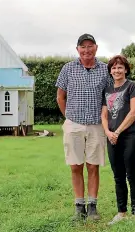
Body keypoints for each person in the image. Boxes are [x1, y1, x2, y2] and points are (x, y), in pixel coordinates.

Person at [55, 33, 113, 221]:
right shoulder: (68, 69)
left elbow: (110, 98)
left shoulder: (105, 70)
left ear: (96, 47)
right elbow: (60, 97)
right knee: (75, 166)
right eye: (83, 46)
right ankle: (79, 206)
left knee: (93, 166)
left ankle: (93, 207)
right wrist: (69, 118)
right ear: (77, 49)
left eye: (90, 46)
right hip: (74, 124)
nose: (86, 50)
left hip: (96, 125)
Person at [101, 55, 135, 225]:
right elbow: (104, 114)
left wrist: (117, 131)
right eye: (113, 68)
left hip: (129, 137)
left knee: (131, 175)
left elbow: (133, 112)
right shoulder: (107, 89)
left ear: (126, 69)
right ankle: (121, 212)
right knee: (118, 176)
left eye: (120, 67)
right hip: (112, 138)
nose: (116, 70)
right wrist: (108, 132)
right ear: (110, 71)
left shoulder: (132, 86)